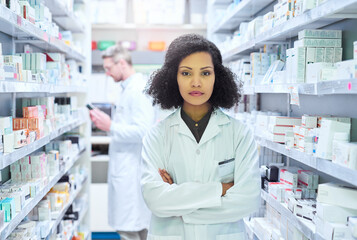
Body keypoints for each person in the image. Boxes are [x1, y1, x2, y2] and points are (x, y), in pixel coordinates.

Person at [141, 34, 261, 239]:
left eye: (205, 73)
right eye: (186, 73)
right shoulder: (157, 135)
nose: (196, 83)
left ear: (218, 77)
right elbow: (155, 200)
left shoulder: (239, 133)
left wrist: (178, 203)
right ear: (173, 77)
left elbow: (247, 201)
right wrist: (220, 189)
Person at [89, 45, 154, 240]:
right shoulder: (127, 89)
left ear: (122, 63)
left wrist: (110, 126)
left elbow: (144, 131)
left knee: (131, 229)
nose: (107, 74)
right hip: (126, 168)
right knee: (135, 229)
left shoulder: (138, 90)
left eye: (109, 68)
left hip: (132, 170)